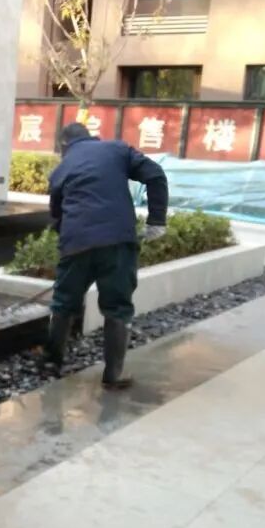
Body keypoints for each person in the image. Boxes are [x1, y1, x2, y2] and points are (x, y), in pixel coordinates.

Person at [45, 122, 169, 387]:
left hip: (76, 243)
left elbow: (56, 216)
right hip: (117, 241)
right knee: (117, 306)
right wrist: (156, 220)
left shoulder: (61, 169)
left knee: (63, 302)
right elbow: (156, 175)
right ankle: (113, 375)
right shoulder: (117, 150)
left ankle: (52, 363)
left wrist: (71, 240)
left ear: (64, 145)